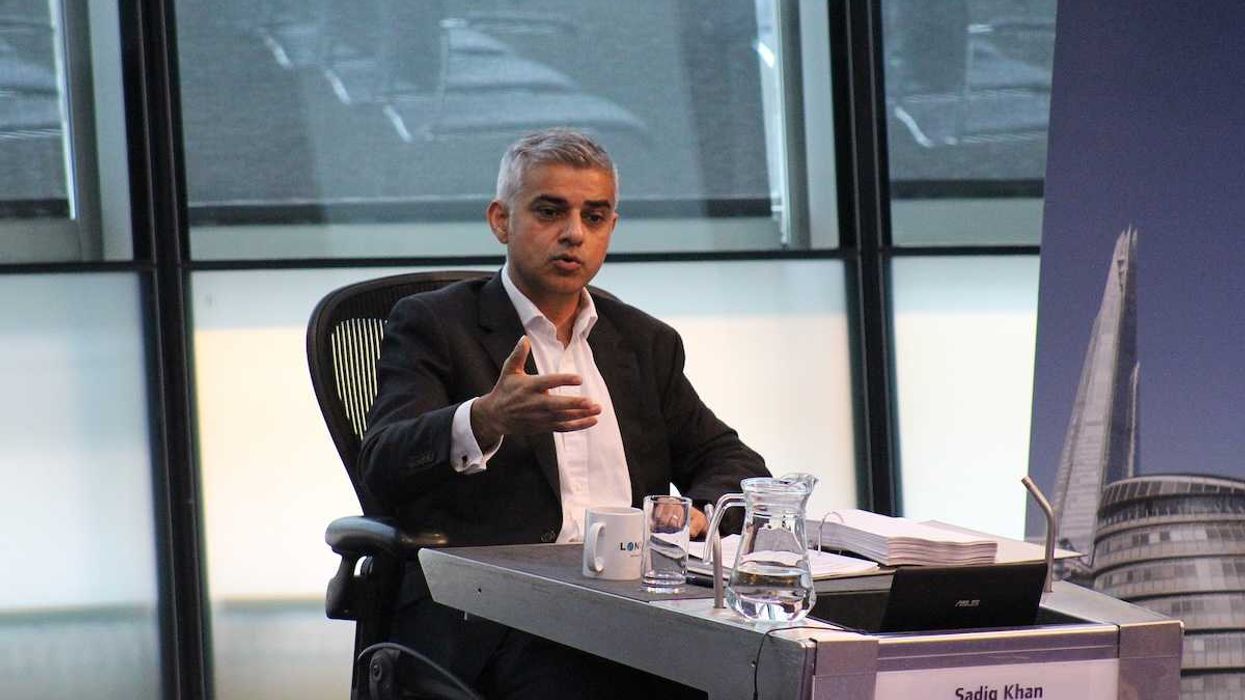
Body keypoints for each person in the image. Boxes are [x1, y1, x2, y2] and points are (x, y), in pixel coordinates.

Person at [358, 128, 769, 698]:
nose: (574, 233)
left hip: (636, 605)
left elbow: (732, 460)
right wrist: (485, 418)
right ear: (502, 221)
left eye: (594, 217)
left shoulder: (644, 341)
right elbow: (381, 463)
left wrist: (697, 512)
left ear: (611, 229)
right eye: (550, 212)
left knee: (762, 667)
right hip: (498, 615)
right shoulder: (435, 326)